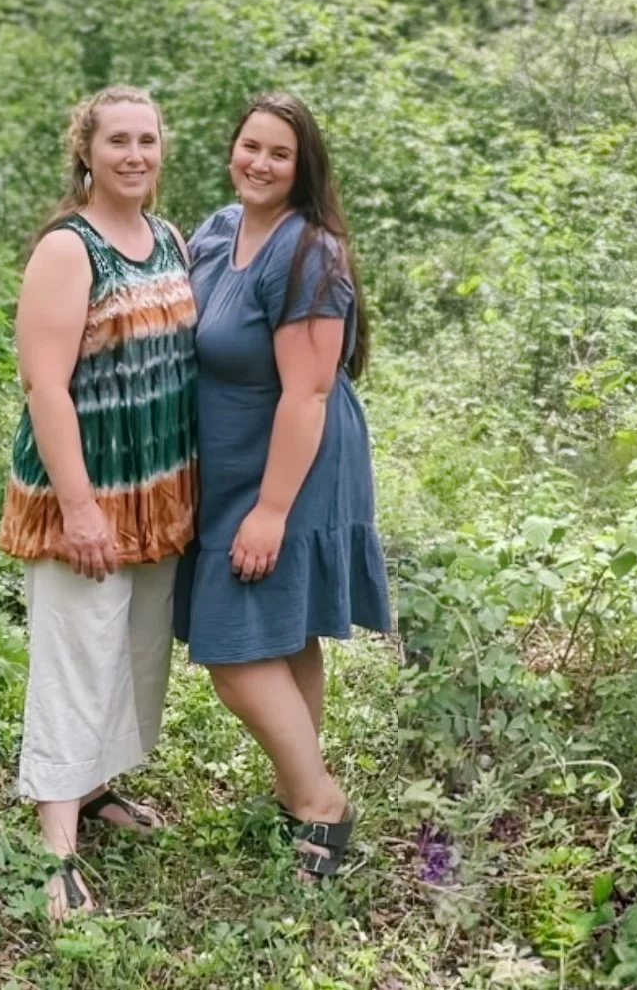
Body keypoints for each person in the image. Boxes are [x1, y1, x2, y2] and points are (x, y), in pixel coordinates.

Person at [174, 91, 392, 880]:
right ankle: (294, 790)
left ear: (303, 169)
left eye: (279, 154)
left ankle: (320, 804)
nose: (258, 163)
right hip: (232, 462)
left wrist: (269, 511)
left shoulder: (308, 253)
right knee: (286, 630)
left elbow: (309, 393)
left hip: (292, 468)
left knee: (232, 648)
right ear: (231, 148)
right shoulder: (217, 231)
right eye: (250, 147)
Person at [0, 85, 198, 919]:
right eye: (117, 140)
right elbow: (45, 384)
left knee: (133, 653)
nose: (134, 155)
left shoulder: (169, 238)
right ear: (87, 150)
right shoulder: (68, 249)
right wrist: (78, 508)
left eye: (147, 140)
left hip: (156, 488)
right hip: (83, 489)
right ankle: (56, 851)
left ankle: (96, 789)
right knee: (76, 655)